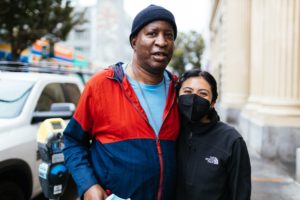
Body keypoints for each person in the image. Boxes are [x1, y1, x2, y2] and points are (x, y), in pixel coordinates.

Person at [63, 4, 180, 200]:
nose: (162, 42)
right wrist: (88, 185)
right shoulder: (101, 85)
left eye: (169, 35)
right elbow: (73, 141)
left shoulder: (179, 91)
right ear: (134, 41)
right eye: (152, 33)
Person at [175, 69, 251, 200]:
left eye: (203, 94)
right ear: (178, 96)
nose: (193, 98)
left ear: (213, 102)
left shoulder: (232, 141)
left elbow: (240, 193)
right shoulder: (170, 132)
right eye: (187, 91)